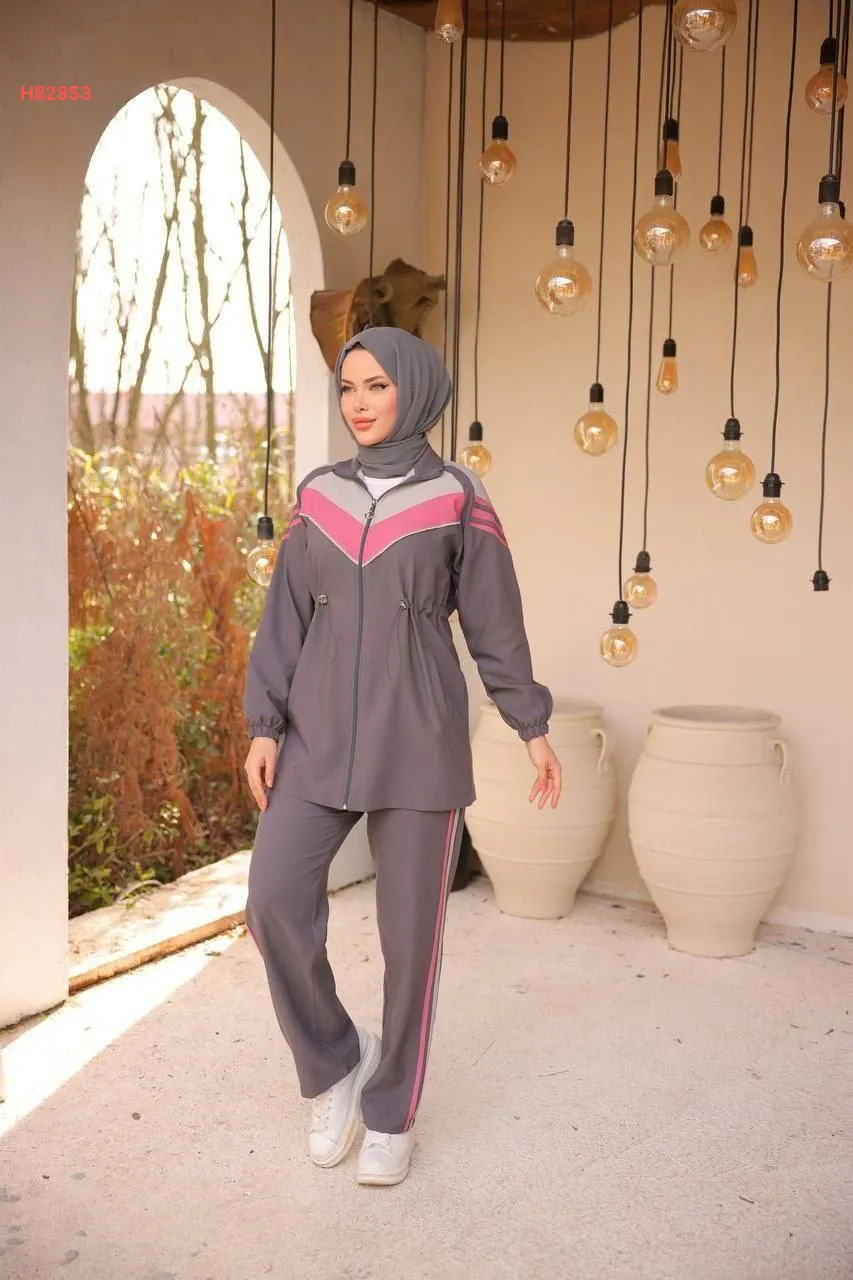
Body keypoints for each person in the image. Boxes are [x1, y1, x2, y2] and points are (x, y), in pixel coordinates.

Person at [242, 326, 561, 1188]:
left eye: (376, 385)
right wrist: (265, 724)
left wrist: (529, 725)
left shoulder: (457, 495)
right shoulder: (319, 494)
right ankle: (335, 1059)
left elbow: (494, 621)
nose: (359, 403)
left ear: (413, 390)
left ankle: (391, 1112)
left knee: (409, 940)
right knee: (271, 899)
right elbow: (284, 617)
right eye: (348, 388)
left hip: (418, 737)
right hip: (315, 736)